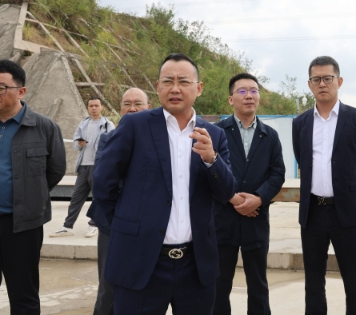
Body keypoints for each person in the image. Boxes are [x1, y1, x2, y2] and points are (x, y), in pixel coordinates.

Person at [93, 53, 237, 314]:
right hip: (139, 262)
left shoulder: (214, 135)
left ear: (199, 88)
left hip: (196, 266)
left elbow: (227, 191)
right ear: (158, 87)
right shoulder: (135, 125)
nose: (175, 88)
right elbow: (103, 183)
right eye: (168, 81)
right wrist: (124, 229)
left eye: (183, 81)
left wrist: (212, 159)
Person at [292, 56, 356, 315]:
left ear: (339, 81)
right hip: (313, 214)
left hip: (347, 213)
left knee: (354, 281)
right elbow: (302, 160)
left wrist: (346, 191)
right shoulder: (300, 123)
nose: (322, 84)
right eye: (316, 79)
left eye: (328, 78)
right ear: (309, 84)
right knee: (313, 282)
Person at [212, 73, 285, 315]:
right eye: (242, 91)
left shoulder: (270, 135)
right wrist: (233, 198)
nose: (249, 96)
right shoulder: (216, 132)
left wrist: (259, 199)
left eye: (254, 90)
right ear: (231, 99)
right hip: (223, 219)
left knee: (258, 285)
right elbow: (209, 171)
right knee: (219, 285)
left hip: (256, 219)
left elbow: (277, 174)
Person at [0, 59, 66, 314]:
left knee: (24, 295)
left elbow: (55, 170)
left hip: (23, 226)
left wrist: (29, 194)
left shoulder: (44, 127)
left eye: (1, 87)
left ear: (21, 91)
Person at [87, 87, 151, 315]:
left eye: (138, 104)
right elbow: (103, 180)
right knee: (109, 285)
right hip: (111, 221)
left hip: (148, 223)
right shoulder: (108, 139)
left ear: (149, 108)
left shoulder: (158, 141)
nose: (132, 109)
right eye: (127, 104)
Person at [50, 97, 114, 238]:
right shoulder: (83, 124)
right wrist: (79, 144)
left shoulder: (108, 125)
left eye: (96, 105)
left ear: (102, 107)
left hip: (99, 166)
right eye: (91, 106)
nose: (93, 108)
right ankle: (67, 226)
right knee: (76, 197)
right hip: (83, 166)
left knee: (97, 197)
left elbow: (113, 145)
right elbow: (75, 142)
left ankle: (93, 225)